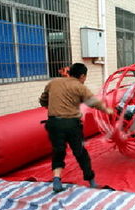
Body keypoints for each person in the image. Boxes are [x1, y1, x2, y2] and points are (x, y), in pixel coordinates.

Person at [39, 63, 113, 192]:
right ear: (82, 76)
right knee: (80, 152)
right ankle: (92, 181)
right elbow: (93, 102)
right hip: (71, 125)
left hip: (53, 124)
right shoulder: (79, 87)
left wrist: (50, 106)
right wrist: (107, 110)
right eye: (85, 77)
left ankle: (57, 179)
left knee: (58, 151)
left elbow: (43, 99)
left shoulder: (54, 82)